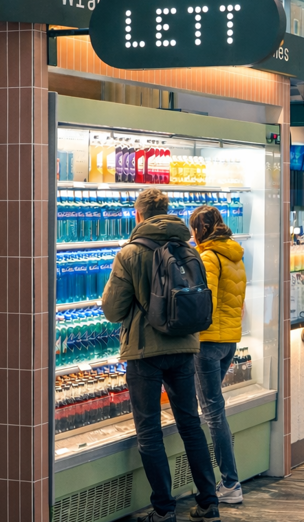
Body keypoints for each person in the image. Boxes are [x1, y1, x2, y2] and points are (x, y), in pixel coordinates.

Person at [101, 189, 221, 522]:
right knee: (191, 424)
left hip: (145, 351)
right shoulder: (188, 248)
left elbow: (112, 310)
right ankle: (209, 502)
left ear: (138, 215)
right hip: (184, 346)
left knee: (150, 431)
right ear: (168, 211)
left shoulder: (130, 253)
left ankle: (164, 510)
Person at [189, 205, 247, 504]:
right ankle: (226, 481)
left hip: (209, 342)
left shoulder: (209, 257)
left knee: (213, 412)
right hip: (229, 341)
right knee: (213, 408)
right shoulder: (234, 255)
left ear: (199, 230)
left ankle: (230, 483)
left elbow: (204, 302)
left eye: (193, 230)